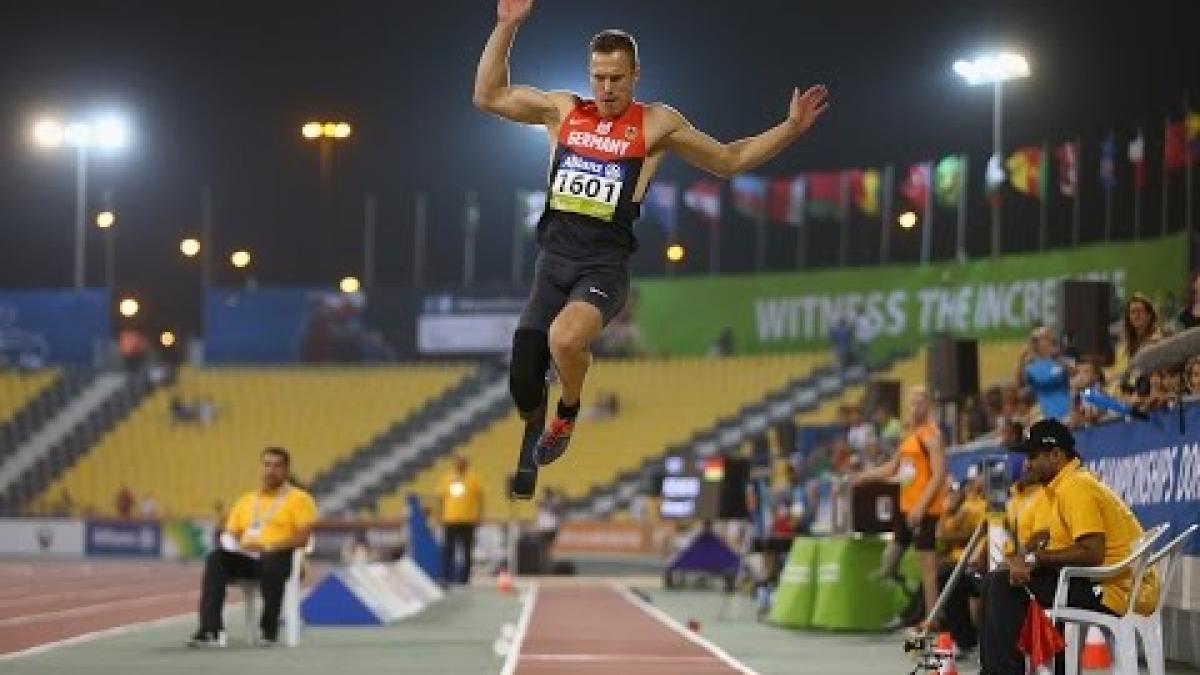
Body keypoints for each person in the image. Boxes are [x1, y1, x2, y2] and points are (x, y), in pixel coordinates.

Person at [476, 0, 829, 467]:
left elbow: (729, 160)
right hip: (552, 263)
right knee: (522, 381)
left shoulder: (655, 123)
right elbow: (488, 95)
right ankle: (537, 396)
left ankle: (568, 410)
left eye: (616, 78)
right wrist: (507, 27)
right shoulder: (563, 111)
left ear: (635, 75)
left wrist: (789, 129)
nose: (606, 88)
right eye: (598, 77)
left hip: (602, 267)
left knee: (564, 338)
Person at [977, 419, 1159, 675]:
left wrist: (1036, 560)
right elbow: (1044, 538)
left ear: (1056, 454)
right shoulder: (1062, 486)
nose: (1027, 464)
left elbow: (1092, 552)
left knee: (1002, 586)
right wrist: (1023, 558)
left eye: (1033, 456)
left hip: (1111, 589)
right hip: (1100, 581)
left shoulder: (1076, 487)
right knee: (997, 580)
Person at [189, 447, 317, 647]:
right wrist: (232, 543)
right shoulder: (247, 500)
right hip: (249, 557)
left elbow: (303, 538)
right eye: (267, 465)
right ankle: (210, 630)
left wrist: (270, 546)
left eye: (277, 466)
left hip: (282, 557)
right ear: (260, 468)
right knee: (215, 559)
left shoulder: (300, 499)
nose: (271, 470)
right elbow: (231, 533)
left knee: (271, 560)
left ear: (286, 470)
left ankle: (269, 629)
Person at [850, 385, 947, 631]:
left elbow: (938, 475)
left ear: (928, 405)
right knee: (889, 562)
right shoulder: (909, 436)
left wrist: (921, 506)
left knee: (928, 565)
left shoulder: (931, 436)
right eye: (911, 402)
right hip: (905, 510)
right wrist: (865, 476)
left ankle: (933, 618)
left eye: (919, 401)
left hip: (923, 511)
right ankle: (913, 603)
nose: (914, 406)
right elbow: (893, 468)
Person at [436, 455, 484, 585]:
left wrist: (479, 516)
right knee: (448, 550)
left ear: (467, 464)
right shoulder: (447, 479)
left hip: (467, 521)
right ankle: (446, 577)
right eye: (458, 462)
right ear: (455, 464)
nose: (460, 465)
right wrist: (439, 516)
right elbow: (440, 499)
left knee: (467, 551)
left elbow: (480, 499)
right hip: (450, 520)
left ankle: (465, 579)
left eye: (463, 462)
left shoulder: (474, 479)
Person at [1017, 326, 1073, 422]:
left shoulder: (1062, 361)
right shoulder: (1030, 368)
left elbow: (1075, 376)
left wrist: (1058, 359)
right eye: (1043, 338)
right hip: (1046, 412)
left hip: (1068, 411)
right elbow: (1022, 389)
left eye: (1049, 337)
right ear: (1035, 344)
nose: (1049, 341)